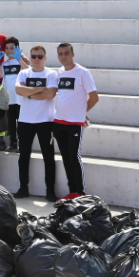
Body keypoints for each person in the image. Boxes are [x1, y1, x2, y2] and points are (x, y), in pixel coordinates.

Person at [53, 43, 99, 200]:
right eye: (60, 54)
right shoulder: (58, 73)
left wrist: (81, 112)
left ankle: (80, 192)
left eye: (66, 53)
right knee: (66, 157)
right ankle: (72, 191)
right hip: (58, 123)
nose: (63, 56)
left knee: (74, 156)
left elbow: (94, 97)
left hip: (75, 124)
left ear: (73, 54)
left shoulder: (82, 73)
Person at [13, 45, 58, 201]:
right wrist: (40, 89)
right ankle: (23, 188)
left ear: (45, 58)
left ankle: (50, 191)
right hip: (25, 121)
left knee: (48, 157)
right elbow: (19, 91)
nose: (37, 59)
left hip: (46, 121)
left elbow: (51, 93)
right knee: (23, 157)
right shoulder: (23, 72)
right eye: (34, 56)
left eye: (40, 56)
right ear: (30, 58)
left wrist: (29, 92)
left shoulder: (51, 73)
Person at [0, 37, 29, 152]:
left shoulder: (20, 62)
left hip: (20, 98)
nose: (9, 51)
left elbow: (27, 71)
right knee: (10, 123)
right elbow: (0, 75)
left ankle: (22, 143)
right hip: (9, 98)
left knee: (21, 122)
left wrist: (19, 58)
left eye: (12, 48)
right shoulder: (4, 64)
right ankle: (13, 143)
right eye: (7, 48)